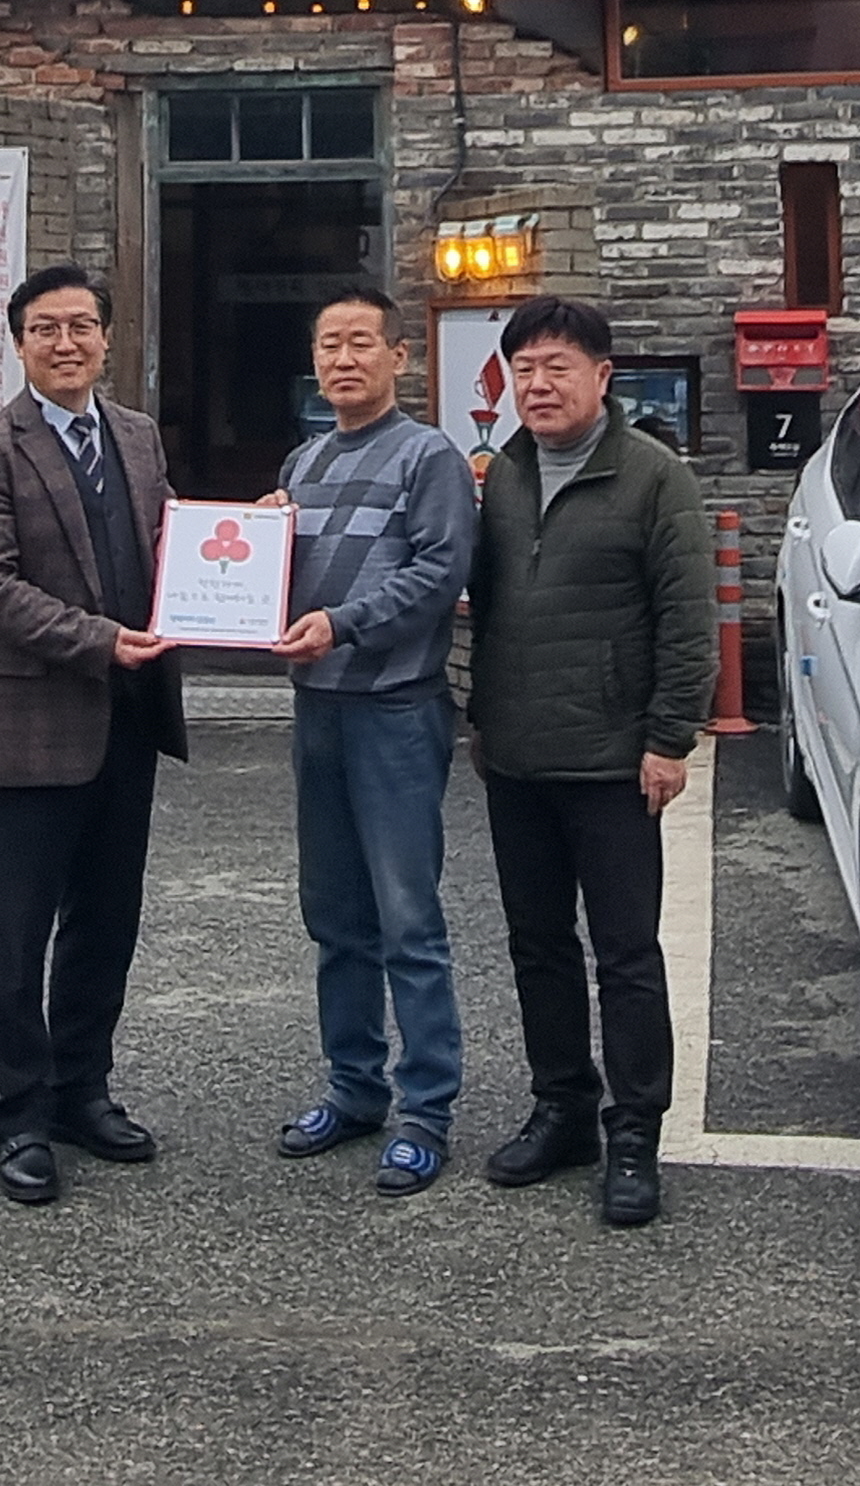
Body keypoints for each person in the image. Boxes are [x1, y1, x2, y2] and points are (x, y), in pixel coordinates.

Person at [0, 263, 187, 1207]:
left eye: (82, 325)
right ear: (20, 343)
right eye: (46, 328)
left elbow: (169, 543)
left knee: (106, 921)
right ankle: (21, 1114)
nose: (66, 342)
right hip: (32, 722)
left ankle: (85, 1090)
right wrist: (98, 641)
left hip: (128, 720)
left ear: (107, 338)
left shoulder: (137, 435)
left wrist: (245, 541)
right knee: (16, 932)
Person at [467, 294, 715, 1230]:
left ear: (603, 377)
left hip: (614, 762)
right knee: (537, 946)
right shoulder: (504, 474)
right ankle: (561, 1107)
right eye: (524, 368)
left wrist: (668, 739)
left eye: (557, 367)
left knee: (627, 955)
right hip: (517, 754)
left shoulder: (653, 477)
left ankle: (635, 1132)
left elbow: (688, 620)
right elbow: (485, 605)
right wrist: (481, 715)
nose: (539, 384)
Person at [262, 286, 478, 1194]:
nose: (343, 359)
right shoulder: (303, 462)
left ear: (399, 356)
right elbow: (277, 581)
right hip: (319, 711)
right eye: (328, 345)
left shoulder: (429, 457)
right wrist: (256, 545)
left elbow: (440, 572)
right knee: (334, 916)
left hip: (394, 710)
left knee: (407, 919)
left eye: (360, 343)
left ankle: (425, 1109)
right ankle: (353, 1089)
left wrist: (342, 624)